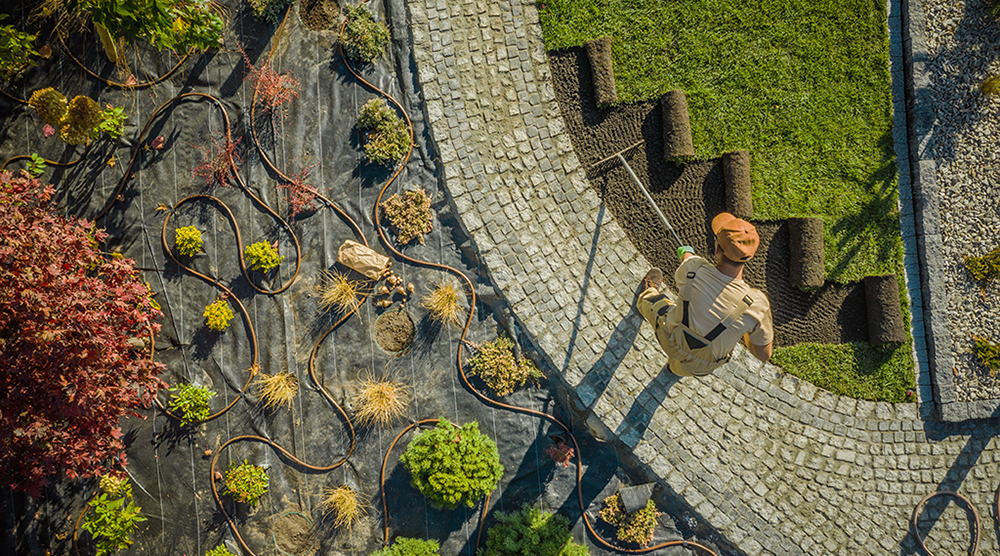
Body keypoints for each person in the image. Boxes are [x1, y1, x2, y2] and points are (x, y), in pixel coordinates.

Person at [636, 212, 773, 377]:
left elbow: (688, 260)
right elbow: (763, 354)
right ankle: (673, 370)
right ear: (749, 257)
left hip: (670, 337)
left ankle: (647, 294)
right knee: (684, 368)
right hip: (701, 364)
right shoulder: (757, 305)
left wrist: (686, 253)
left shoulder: (693, 268)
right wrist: (744, 327)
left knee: (653, 302)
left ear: (717, 249)